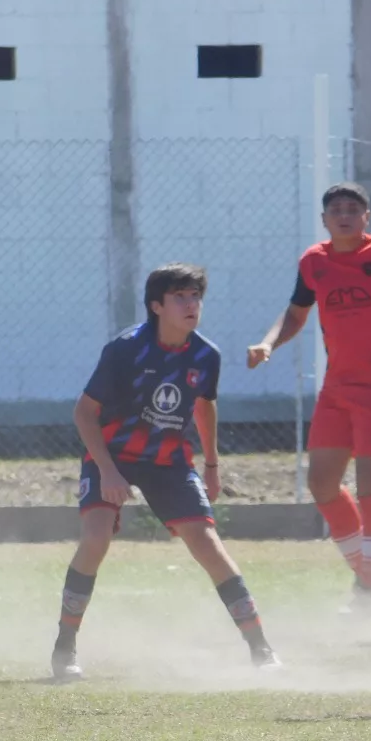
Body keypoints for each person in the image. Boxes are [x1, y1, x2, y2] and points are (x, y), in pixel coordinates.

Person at [53, 263, 280, 682]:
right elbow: (84, 413)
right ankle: (64, 648)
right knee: (96, 537)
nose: (191, 305)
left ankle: (260, 648)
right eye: (180, 297)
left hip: (168, 461)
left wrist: (212, 464)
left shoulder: (205, 355)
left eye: (196, 296)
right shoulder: (125, 349)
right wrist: (108, 472)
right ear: (156, 306)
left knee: (207, 544)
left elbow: (205, 406)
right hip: (112, 455)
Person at [247, 183, 371, 613]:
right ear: (324, 219)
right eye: (336, 209)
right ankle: (369, 567)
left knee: (369, 484)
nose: (344, 215)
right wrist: (269, 343)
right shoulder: (314, 262)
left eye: (353, 208)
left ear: (367, 216)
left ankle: (370, 589)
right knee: (321, 484)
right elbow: (296, 313)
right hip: (337, 388)